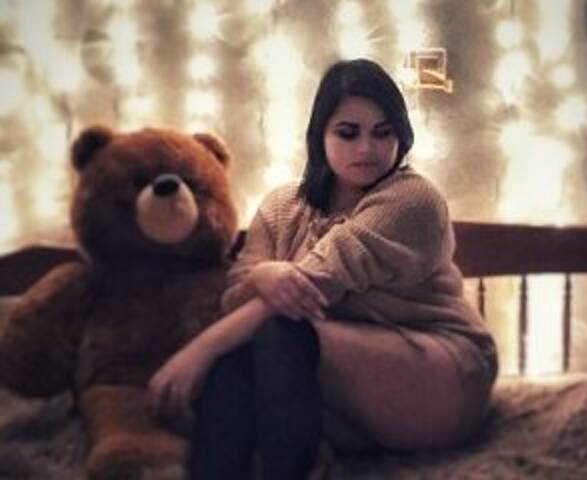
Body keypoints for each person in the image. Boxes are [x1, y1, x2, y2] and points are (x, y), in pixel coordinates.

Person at [149, 58, 498, 478]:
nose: (367, 149)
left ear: (401, 136)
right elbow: (237, 296)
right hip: (335, 385)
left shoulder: (413, 200)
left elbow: (313, 285)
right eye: (348, 133)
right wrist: (262, 276)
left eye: (383, 132)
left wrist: (198, 352)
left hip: (439, 370)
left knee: (277, 330)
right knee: (245, 357)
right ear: (320, 135)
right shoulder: (282, 206)